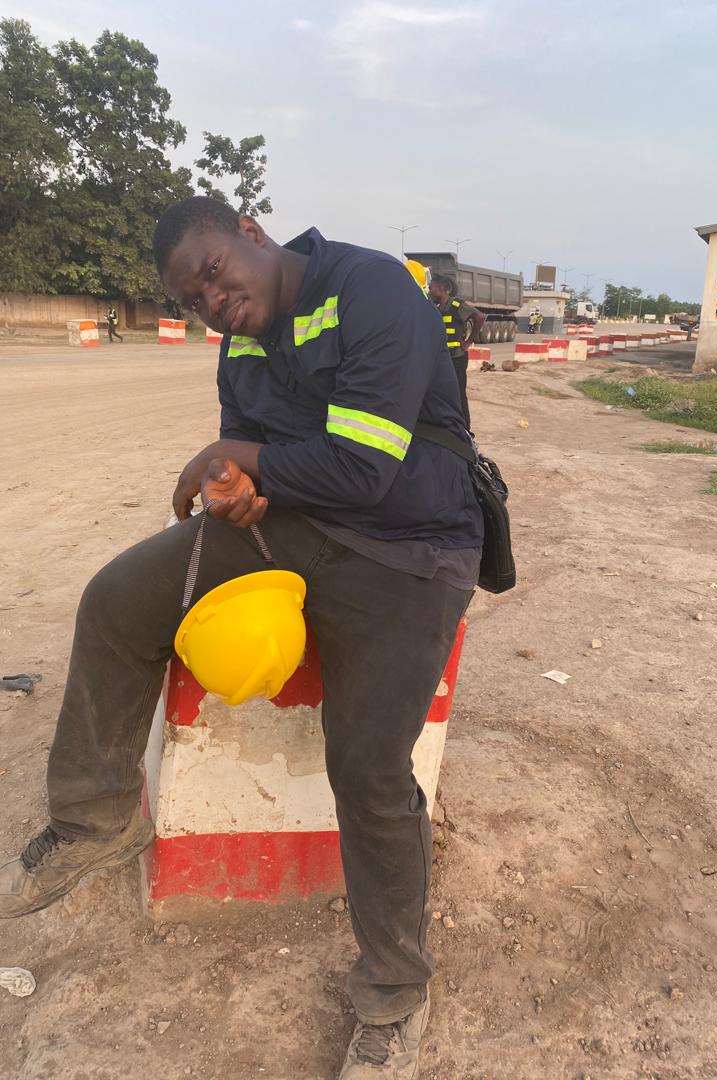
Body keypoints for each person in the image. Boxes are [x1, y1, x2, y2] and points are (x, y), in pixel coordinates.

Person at [0, 196, 483, 1080]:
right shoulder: (244, 345)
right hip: (298, 524)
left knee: (370, 767)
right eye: (192, 300)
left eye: (213, 274)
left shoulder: (369, 286)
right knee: (116, 598)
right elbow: (257, 458)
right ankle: (93, 818)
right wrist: (238, 487)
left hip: (413, 545)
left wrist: (237, 456)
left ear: (251, 234)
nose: (211, 303)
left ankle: (394, 991)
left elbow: (366, 468)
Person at [427, 275, 484, 431]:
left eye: (431, 288)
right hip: (444, 358)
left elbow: (479, 317)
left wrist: (468, 342)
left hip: (457, 358)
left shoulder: (458, 305)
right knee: (444, 393)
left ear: (439, 289)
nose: (429, 291)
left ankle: (465, 429)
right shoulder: (437, 309)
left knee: (459, 393)